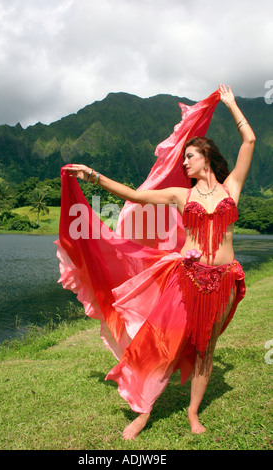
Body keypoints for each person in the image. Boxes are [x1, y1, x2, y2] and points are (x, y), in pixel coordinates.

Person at [61, 84, 255, 439]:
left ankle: (193, 414)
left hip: (225, 278)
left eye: (190, 157)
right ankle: (142, 411)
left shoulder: (233, 188)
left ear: (206, 157)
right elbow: (135, 195)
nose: (184, 163)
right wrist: (94, 177)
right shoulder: (180, 195)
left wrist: (231, 105)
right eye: (182, 158)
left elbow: (250, 142)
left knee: (205, 349)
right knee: (161, 343)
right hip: (188, 277)